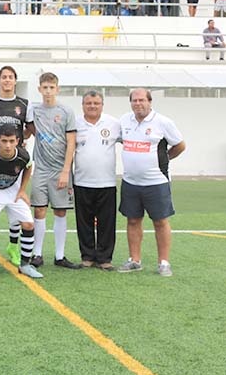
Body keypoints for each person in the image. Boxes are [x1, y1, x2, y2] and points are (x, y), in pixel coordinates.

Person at [118, 89, 186, 276]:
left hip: (156, 182)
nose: (138, 104)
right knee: (132, 220)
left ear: (150, 101)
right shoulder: (124, 121)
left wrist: (163, 160)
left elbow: (180, 145)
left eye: (142, 100)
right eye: (134, 100)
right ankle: (134, 260)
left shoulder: (163, 122)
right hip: (130, 182)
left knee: (160, 221)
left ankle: (163, 262)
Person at [27, 72, 80, 269]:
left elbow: (71, 143)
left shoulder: (66, 111)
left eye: (52, 87)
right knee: (39, 210)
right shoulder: (33, 110)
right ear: (40, 89)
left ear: (57, 89)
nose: (48, 91)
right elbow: (28, 128)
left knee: (60, 211)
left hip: (60, 169)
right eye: (45, 87)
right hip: (41, 168)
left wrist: (66, 170)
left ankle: (60, 256)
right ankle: (37, 253)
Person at [0, 124, 43, 279]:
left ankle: (25, 265)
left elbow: (28, 167)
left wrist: (22, 190)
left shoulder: (23, 155)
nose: (8, 145)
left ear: (17, 141)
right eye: (4, 141)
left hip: (12, 191)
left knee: (28, 224)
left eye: (11, 141)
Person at [0, 65, 33, 265]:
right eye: (3, 77)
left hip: (15, 158)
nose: (7, 80)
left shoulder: (24, 103)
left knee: (16, 207)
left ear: (15, 81)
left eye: (10, 77)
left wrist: (19, 143)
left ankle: (14, 246)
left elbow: (29, 128)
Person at [73, 90, 121, 270]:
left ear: (102, 105)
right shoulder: (75, 123)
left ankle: (104, 258)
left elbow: (129, 142)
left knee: (107, 223)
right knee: (83, 222)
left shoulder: (114, 123)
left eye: (96, 103)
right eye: (88, 103)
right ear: (83, 105)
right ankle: (87, 256)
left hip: (107, 183)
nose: (92, 106)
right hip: (82, 181)